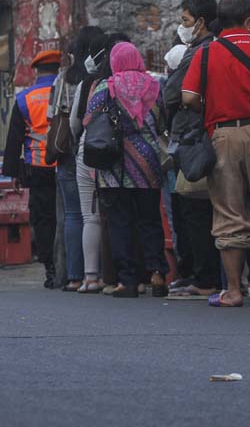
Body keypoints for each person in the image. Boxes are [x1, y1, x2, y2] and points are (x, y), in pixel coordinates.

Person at [182, 0, 250, 308]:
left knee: (229, 213)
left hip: (222, 134)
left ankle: (234, 290)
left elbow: (188, 97)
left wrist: (212, 103)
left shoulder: (206, 54)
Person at [84, 41, 169, 298]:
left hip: (114, 165)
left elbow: (89, 120)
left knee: (120, 223)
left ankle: (127, 280)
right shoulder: (156, 85)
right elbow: (165, 119)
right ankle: (156, 273)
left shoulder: (105, 87)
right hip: (148, 162)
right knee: (150, 220)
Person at [164, 0, 221, 298]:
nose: (182, 26)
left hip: (196, 138)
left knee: (193, 207)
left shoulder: (198, 51)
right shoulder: (220, 48)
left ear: (200, 21)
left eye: (185, 20)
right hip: (219, 133)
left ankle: (205, 275)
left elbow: (173, 94)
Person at [50, 27, 103, 291]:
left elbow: (54, 114)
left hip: (69, 152)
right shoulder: (101, 78)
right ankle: (98, 274)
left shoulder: (64, 79)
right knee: (96, 214)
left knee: (72, 215)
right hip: (99, 150)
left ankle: (73, 275)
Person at [2, 50, 60, 288]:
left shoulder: (25, 98)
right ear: (58, 69)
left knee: (44, 218)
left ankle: (50, 269)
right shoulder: (67, 92)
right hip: (66, 165)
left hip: (38, 166)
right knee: (70, 217)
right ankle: (75, 269)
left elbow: (14, 139)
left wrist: (14, 172)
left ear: (37, 70)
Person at [70, 32, 109, 292]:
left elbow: (74, 122)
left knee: (89, 217)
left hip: (88, 150)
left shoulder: (87, 84)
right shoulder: (122, 82)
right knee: (118, 216)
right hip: (121, 154)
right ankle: (119, 275)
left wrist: (80, 140)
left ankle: (90, 276)